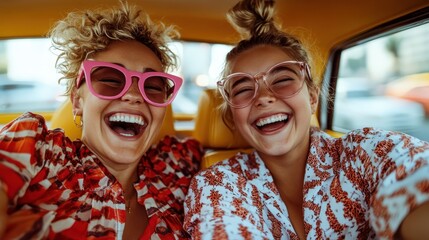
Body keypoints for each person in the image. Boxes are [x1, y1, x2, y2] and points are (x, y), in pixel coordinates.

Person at [184, 0, 429, 239]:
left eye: (281, 80)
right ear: (233, 116)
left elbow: (414, 170)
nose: (264, 97)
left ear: (312, 98)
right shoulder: (217, 183)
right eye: (243, 89)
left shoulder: (365, 152)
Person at [0, 1, 203, 239]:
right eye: (111, 79)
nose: (134, 96)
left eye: (153, 86)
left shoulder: (178, 167)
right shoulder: (39, 151)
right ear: (77, 100)